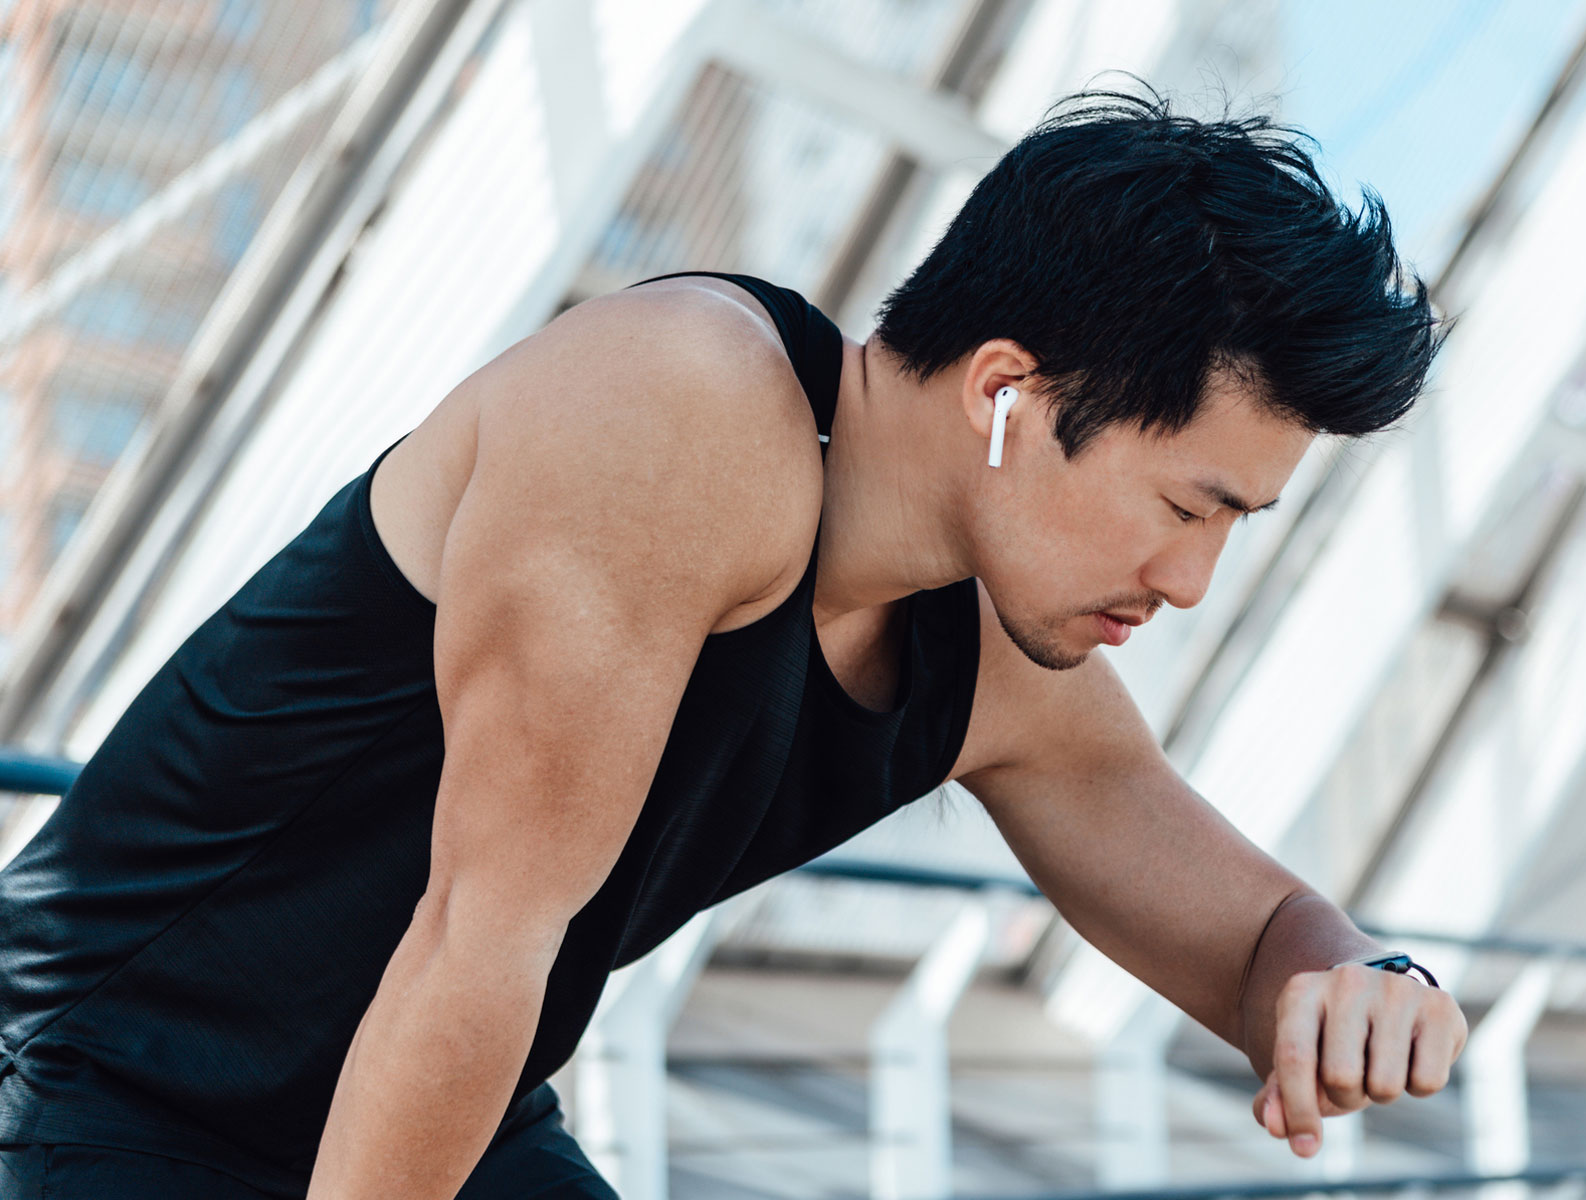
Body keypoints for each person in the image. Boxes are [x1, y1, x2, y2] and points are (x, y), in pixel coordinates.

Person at [0, 86, 1462, 1197]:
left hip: (451, 1105)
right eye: (1183, 504)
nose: (1193, 581)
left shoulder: (1001, 663)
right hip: (93, 1083)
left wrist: (1369, 988)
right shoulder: (681, 410)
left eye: (1235, 529)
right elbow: (470, 945)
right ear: (1007, 392)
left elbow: (1261, 935)